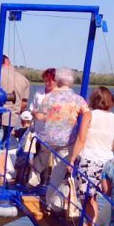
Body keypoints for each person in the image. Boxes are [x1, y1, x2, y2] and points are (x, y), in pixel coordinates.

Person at [75, 86, 114, 226]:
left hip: (89, 159)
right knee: (95, 197)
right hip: (108, 161)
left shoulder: (89, 115)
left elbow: (81, 139)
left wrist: (71, 160)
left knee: (86, 197)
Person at [38, 67, 90, 202]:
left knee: (41, 156)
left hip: (48, 138)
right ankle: (53, 202)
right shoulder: (78, 99)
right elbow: (87, 113)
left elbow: (40, 116)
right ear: (71, 82)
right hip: (67, 140)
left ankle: (35, 174)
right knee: (59, 172)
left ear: (57, 81)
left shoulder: (49, 97)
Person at [0, 56, 30, 185]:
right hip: (12, 119)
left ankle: (2, 176)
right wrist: (15, 111)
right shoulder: (23, 79)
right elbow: (24, 103)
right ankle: (1, 175)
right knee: (2, 146)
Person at [27, 67, 56, 187]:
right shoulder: (39, 92)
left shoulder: (58, 95)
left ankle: (42, 179)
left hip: (51, 131)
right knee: (36, 153)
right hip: (37, 129)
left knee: (46, 154)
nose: (48, 83)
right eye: (46, 80)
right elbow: (31, 108)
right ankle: (37, 181)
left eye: (51, 80)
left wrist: (45, 116)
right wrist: (35, 114)